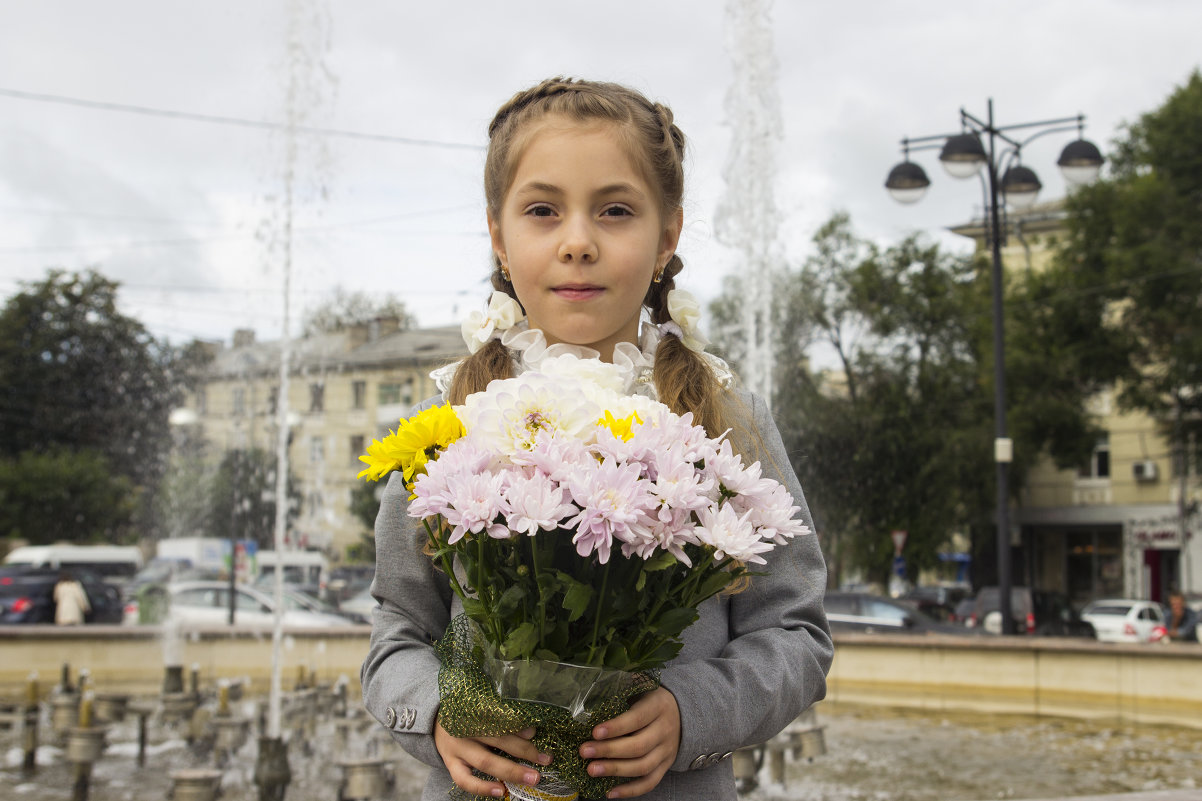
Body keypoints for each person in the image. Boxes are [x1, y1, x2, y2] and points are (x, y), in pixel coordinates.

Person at [361, 77, 833, 801]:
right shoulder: (449, 415)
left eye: (615, 211)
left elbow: (794, 634)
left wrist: (689, 710)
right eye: (542, 210)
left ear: (667, 235)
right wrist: (436, 714)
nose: (577, 242)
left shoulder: (722, 411)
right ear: (499, 234)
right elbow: (398, 626)